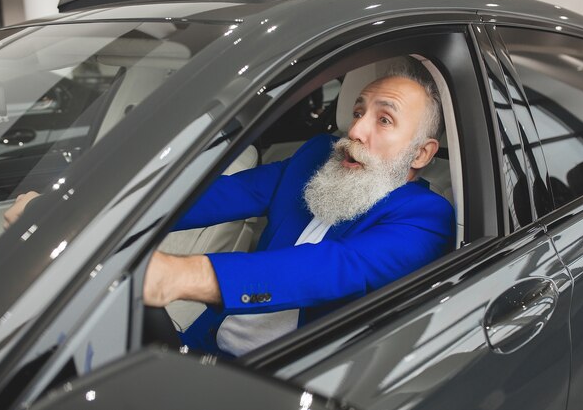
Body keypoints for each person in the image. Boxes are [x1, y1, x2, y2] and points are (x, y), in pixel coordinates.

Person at [142, 61, 456, 357]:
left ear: (420, 154)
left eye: (384, 120)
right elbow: (227, 193)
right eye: (358, 111)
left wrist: (180, 275)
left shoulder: (427, 218)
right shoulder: (319, 158)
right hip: (204, 342)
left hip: (284, 378)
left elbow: (333, 266)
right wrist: (124, 213)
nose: (356, 130)